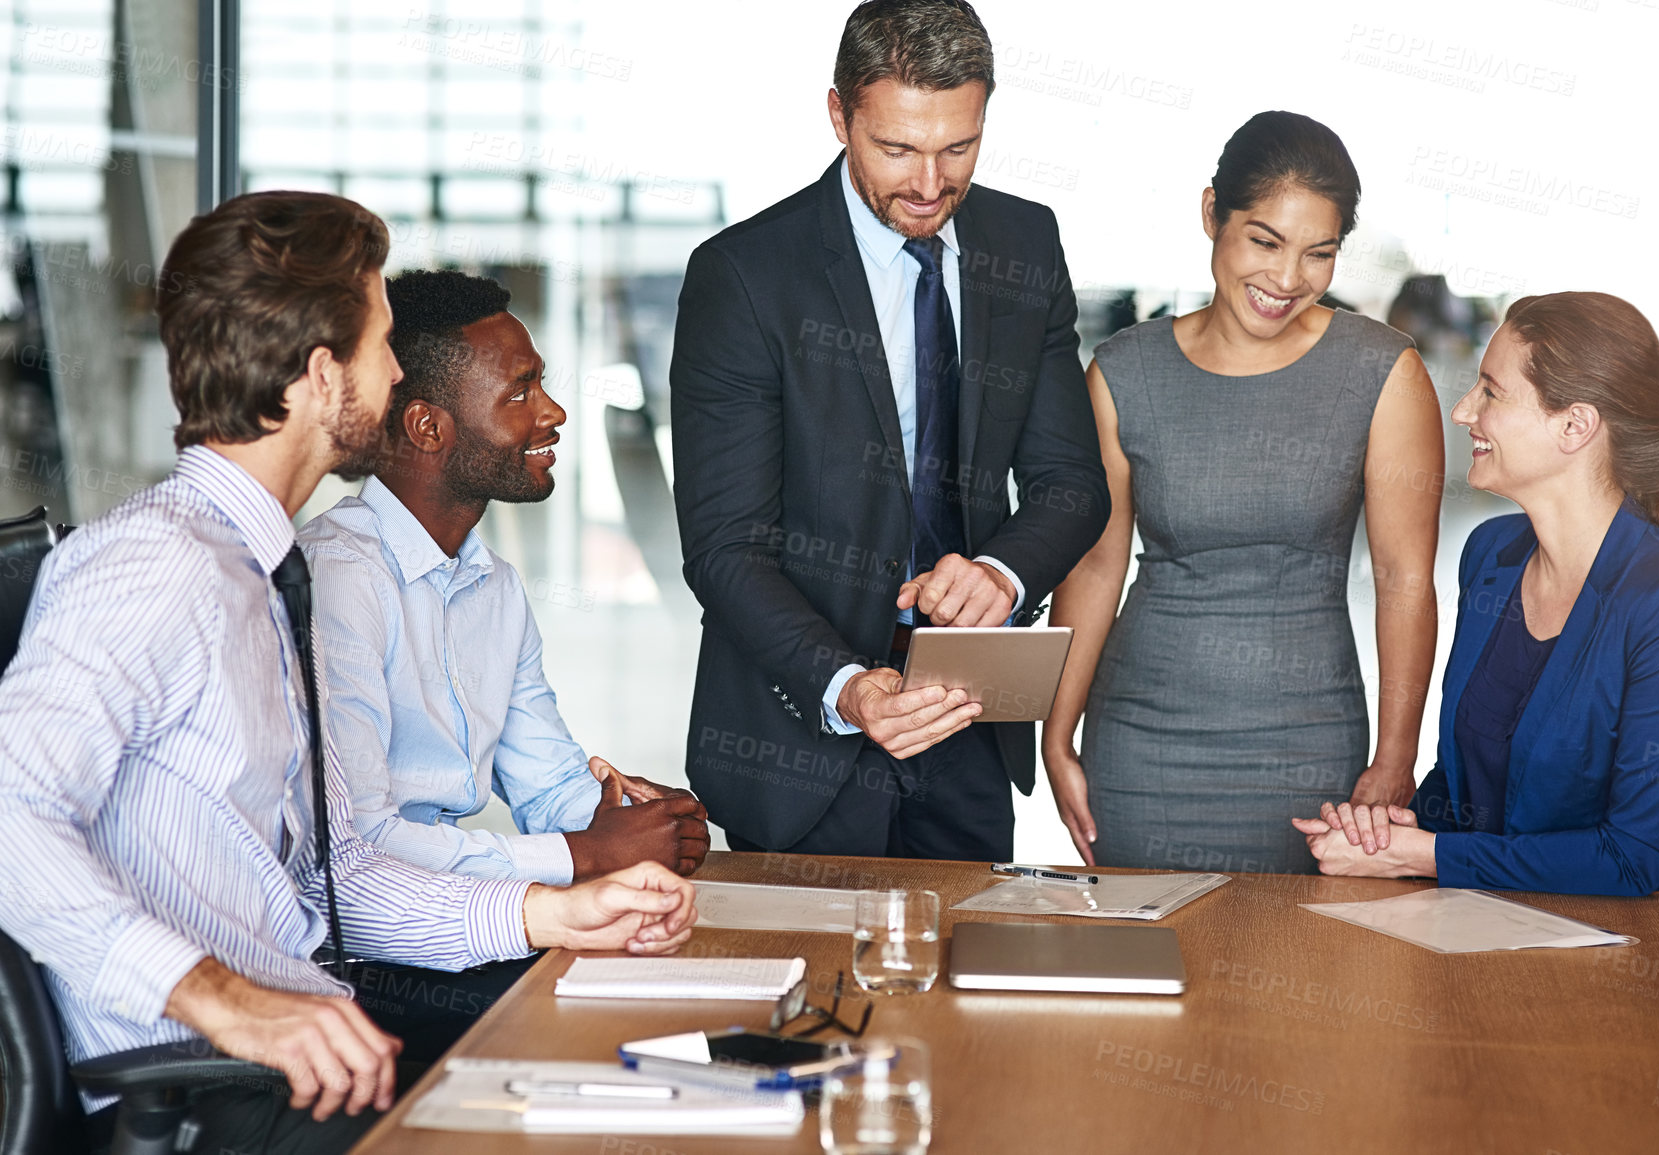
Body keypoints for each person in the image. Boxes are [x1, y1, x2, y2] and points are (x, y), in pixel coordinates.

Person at [0, 191, 697, 1154]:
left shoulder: (265, 573)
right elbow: (8, 812)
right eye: (382, 342)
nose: (401, 369)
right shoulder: (154, 567)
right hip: (196, 1089)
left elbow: (346, 877)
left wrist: (560, 906)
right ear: (324, 377)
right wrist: (233, 1006)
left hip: (301, 1056)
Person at [670, 0, 1110, 859]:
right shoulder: (744, 276)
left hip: (969, 721)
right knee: (810, 992)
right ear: (839, 116)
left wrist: (1001, 573)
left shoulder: (1025, 242)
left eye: (958, 148)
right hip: (800, 738)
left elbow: (1070, 482)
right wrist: (847, 688)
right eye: (896, 149)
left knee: (957, 983)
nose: (928, 182)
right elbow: (725, 545)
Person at [1045, 111, 1446, 874]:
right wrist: (1057, 732)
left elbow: (1403, 581)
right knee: (1147, 970)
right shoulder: (1123, 371)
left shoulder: (1382, 372)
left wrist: (1395, 758)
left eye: (1317, 253)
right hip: (1140, 741)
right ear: (1210, 215)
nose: (1286, 279)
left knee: (1299, 974)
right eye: (1264, 241)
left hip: (1309, 741)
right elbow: (1094, 568)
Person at [1294, 292, 1659, 895]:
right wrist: (1386, 831)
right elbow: (1464, 785)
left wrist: (1423, 856)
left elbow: (1631, 861)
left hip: (1653, 946)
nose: (1462, 411)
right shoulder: (1491, 554)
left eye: (1490, 391)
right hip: (1494, 925)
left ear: (1575, 426)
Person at [300, 269, 711, 890]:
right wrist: (586, 855)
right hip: (365, 952)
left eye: (541, 382)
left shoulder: (494, 585)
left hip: (455, 916)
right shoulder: (337, 578)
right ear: (427, 427)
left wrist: (641, 820)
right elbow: (357, 843)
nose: (554, 412)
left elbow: (546, 783)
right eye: (519, 394)